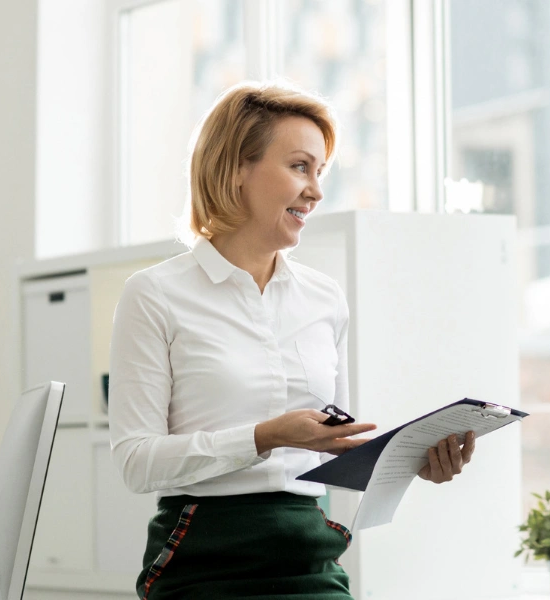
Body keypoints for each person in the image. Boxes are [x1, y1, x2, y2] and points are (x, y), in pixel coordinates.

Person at [109, 81, 477, 600]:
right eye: (300, 167)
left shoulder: (323, 298)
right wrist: (265, 436)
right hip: (203, 552)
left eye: (320, 172)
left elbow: (338, 452)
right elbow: (136, 462)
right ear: (237, 168)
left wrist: (415, 461)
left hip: (308, 549)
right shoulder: (154, 294)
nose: (316, 190)